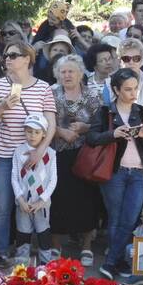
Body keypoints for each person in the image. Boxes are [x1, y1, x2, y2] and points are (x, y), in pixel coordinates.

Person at [0, 40, 56, 266]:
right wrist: (3, 106)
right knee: (3, 206)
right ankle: (2, 252)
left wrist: (41, 150)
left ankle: (30, 251)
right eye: (6, 55)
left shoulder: (43, 87)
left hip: (34, 157)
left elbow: (51, 124)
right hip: (5, 155)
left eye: (13, 55)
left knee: (34, 204)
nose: (7, 58)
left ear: (27, 59)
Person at [86, 67, 143, 279]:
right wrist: (112, 134)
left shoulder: (141, 111)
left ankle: (111, 261)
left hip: (138, 172)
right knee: (115, 218)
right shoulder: (105, 111)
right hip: (114, 171)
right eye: (127, 89)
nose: (133, 93)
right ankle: (119, 262)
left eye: (135, 88)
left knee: (131, 218)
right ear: (116, 89)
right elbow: (91, 138)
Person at [49, 54, 102, 267]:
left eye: (71, 71)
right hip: (57, 154)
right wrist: (60, 131)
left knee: (87, 199)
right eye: (63, 72)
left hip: (86, 155)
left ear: (80, 73)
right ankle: (55, 245)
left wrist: (84, 128)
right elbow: (43, 122)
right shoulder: (51, 94)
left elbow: (100, 126)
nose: (67, 75)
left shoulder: (93, 96)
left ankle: (87, 246)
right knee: (57, 199)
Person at [11, 113, 57, 264]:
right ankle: (21, 266)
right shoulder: (18, 151)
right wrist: (20, 199)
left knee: (43, 232)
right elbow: (14, 177)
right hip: (23, 202)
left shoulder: (50, 154)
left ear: (44, 133)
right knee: (23, 233)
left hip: (41, 204)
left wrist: (42, 200)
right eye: (29, 131)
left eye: (37, 132)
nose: (32, 135)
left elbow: (53, 180)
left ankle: (45, 266)